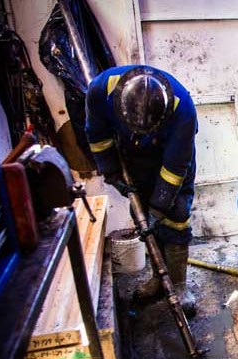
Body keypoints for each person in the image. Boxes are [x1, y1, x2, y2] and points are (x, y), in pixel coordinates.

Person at [85, 65, 198, 315]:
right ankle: (158, 278)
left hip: (170, 158)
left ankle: (178, 284)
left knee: (176, 216)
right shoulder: (100, 91)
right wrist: (112, 173)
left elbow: (175, 165)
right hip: (132, 157)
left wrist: (159, 208)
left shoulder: (183, 109)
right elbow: (97, 137)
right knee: (142, 217)